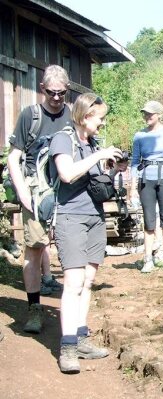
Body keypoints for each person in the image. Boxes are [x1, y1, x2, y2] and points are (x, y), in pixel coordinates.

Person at [50, 93, 124, 373]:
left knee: (88, 280)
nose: (102, 124)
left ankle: (81, 338)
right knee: (73, 281)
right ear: (84, 116)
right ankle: (67, 347)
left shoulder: (92, 144)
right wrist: (99, 155)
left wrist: (113, 169)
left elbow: (96, 184)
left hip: (95, 217)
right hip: (70, 216)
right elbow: (66, 174)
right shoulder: (63, 139)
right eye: (100, 118)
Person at [7, 65, 71, 333]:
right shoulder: (29, 116)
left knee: (71, 252)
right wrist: (22, 191)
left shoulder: (73, 114)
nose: (56, 98)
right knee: (33, 251)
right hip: (35, 191)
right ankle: (34, 309)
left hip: (68, 192)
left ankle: (73, 312)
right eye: (52, 92)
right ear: (42, 89)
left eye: (62, 92)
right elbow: (13, 156)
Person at [130, 100, 163, 273]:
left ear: (158, 115)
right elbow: (135, 162)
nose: (147, 116)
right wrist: (132, 187)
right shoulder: (139, 136)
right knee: (149, 222)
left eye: (150, 114)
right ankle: (147, 260)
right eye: (145, 113)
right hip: (146, 180)